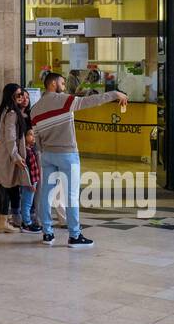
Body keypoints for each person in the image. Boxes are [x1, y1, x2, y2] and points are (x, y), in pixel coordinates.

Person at [30, 72, 127, 247]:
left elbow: (36, 137)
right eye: (62, 82)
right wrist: (115, 94)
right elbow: (90, 101)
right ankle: (74, 235)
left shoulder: (34, 109)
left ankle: (47, 234)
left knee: (46, 194)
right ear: (52, 84)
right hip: (67, 154)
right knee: (71, 195)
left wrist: (45, 152)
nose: (64, 86)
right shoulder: (64, 100)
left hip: (47, 155)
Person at [0, 83, 28, 233]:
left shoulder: (4, 110)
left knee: (4, 186)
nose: (21, 97)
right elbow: (11, 137)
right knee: (6, 186)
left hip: (3, 154)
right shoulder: (11, 113)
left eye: (22, 94)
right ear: (10, 95)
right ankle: (2, 221)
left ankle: (0, 219)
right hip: (8, 155)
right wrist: (16, 156)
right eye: (18, 94)